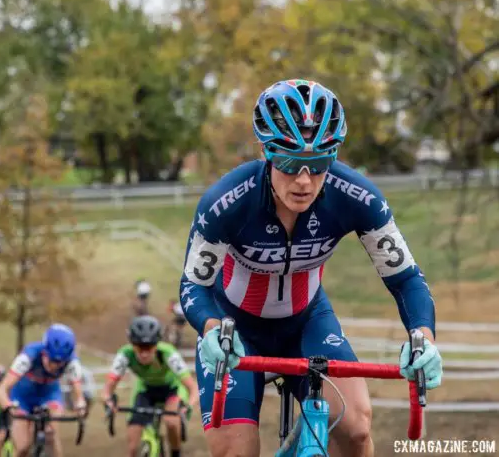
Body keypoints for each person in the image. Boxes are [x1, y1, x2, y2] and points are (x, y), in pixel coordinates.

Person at [179, 79, 442, 457]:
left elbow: (406, 279)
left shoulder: (357, 197)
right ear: (267, 152)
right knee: (234, 451)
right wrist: (210, 327)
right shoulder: (226, 201)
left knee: (355, 429)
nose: (304, 180)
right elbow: (193, 286)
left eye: (319, 164)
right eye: (289, 163)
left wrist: (424, 338)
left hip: (306, 321)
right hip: (234, 329)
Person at [102, 315, 198, 457]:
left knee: (171, 422)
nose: (144, 353)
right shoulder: (125, 354)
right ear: (132, 344)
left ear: (157, 344)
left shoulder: (168, 352)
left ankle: (175, 453)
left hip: (171, 389)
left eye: (149, 346)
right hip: (145, 389)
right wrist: (108, 400)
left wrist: (188, 406)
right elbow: (108, 388)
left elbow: (192, 387)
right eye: (139, 347)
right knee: (132, 446)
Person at [0, 324, 87, 457]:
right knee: (22, 447)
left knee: (52, 435)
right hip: (22, 397)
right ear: (44, 352)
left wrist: (81, 407)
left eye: (60, 363)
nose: (54, 366)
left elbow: (79, 396)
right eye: (51, 360)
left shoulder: (73, 363)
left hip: (49, 395)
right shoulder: (29, 355)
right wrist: (8, 406)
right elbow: (2, 390)